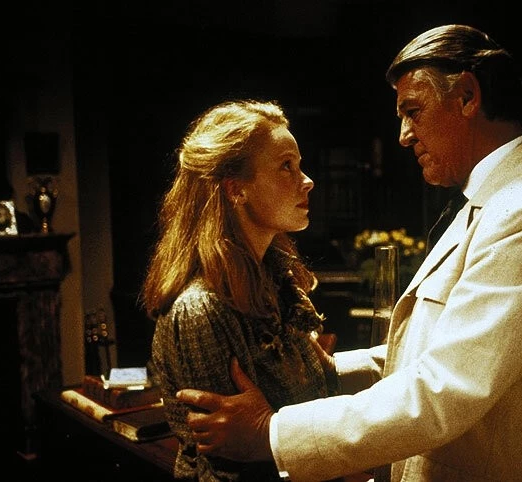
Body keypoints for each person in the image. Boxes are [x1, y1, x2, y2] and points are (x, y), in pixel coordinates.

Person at [176, 24, 522, 482]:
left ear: (467, 97)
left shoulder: (514, 211)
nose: (403, 135)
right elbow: (438, 355)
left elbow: (445, 388)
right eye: (285, 166)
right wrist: (323, 372)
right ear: (234, 189)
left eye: (413, 111)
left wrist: (270, 434)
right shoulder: (489, 202)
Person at [141, 99, 342, 481]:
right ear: (236, 190)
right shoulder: (201, 310)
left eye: (298, 165)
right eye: (286, 166)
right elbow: (226, 470)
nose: (307, 180)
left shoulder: (276, 285)